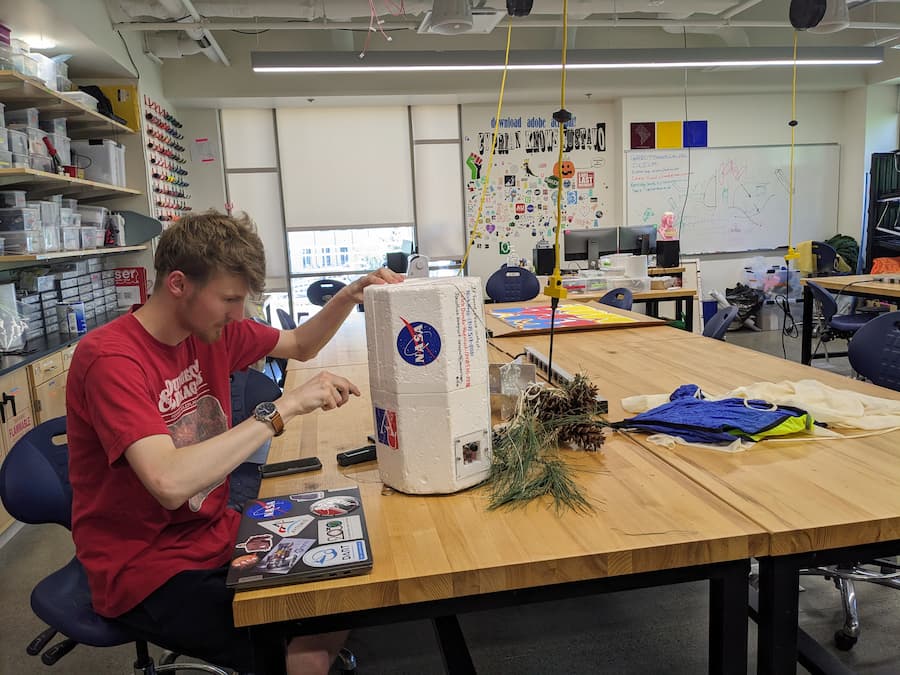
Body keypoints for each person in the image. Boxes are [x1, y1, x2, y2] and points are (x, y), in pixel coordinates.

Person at [66, 210, 403, 674]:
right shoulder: (110, 358)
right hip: (143, 567)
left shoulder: (210, 330)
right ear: (179, 284)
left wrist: (349, 295)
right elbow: (167, 481)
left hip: (215, 532)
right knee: (280, 638)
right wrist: (281, 410)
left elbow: (302, 344)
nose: (238, 314)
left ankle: (307, 655)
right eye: (229, 299)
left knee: (349, 568)